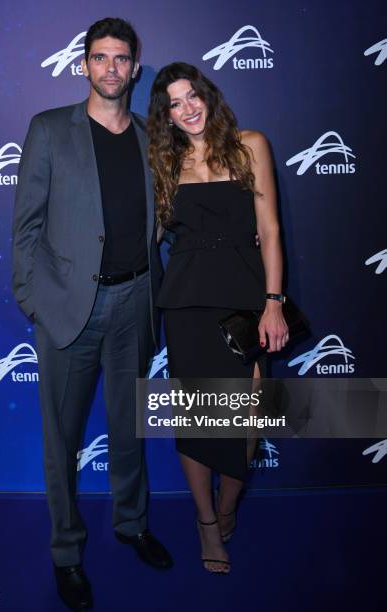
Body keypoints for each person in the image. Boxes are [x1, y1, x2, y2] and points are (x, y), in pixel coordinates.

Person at [12, 17, 172, 611]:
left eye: (121, 58)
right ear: (84, 65)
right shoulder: (49, 130)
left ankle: (132, 524)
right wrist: (35, 301)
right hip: (68, 311)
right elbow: (25, 229)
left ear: (134, 67)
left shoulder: (151, 136)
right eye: (100, 58)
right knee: (61, 440)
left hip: (135, 303)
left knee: (129, 428)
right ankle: (66, 554)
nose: (111, 68)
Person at [147, 62, 288, 574]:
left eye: (192, 97)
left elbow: (270, 229)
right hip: (186, 302)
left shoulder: (251, 144)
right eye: (174, 105)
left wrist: (273, 301)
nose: (187, 110)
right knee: (197, 418)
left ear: (208, 95)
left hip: (244, 300)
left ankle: (229, 505)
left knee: (245, 420)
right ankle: (207, 521)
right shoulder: (164, 162)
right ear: (165, 116)